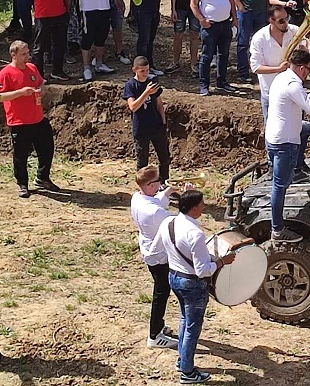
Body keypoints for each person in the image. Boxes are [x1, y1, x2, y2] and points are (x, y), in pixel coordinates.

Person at [151, 190, 235, 384]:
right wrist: (223, 262)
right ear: (195, 208)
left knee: (184, 319)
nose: (204, 207)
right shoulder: (195, 233)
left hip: (174, 277)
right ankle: (187, 372)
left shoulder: (168, 222)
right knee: (192, 327)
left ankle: (182, 361)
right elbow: (203, 271)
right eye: (202, 204)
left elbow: (159, 249)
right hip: (192, 284)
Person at [266, 50, 310, 242]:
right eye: (309, 68)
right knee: (279, 187)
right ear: (300, 68)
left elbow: (301, 102)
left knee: (305, 129)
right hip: (285, 142)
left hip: (274, 138)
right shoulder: (293, 85)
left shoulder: (282, 78)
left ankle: (296, 171)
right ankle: (277, 230)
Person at [249, 6, 310, 175]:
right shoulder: (259, 38)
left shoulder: (294, 31)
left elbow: (309, 51)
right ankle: (273, 167)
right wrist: (278, 68)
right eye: (281, 21)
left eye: (287, 19)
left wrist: (305, 51)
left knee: (297, 129)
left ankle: (298, 165)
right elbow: (255, 67)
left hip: (292, 91)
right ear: (271, 20)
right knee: (273, 132)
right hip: (271, 93)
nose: (286, 23)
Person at [0, 40, 58, 198]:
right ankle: (22, 183)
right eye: (23, 54)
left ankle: (42, 178)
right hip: (19, 121)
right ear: (13, 55)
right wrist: (21, 92)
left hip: (37, 118)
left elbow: (41, 82)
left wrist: (41, 90)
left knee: (47, 148)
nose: (27, 56)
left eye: (28, 53)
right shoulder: (5, 73)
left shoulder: (32, 68)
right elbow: (0, 96)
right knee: (21, 155)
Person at [130, 165, 180, 349]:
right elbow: (177, 222)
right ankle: (154, 335)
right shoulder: (155, 212)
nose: (161, 183)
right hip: (159, 255)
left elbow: (156, 202)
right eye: (158, 181)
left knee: (162, 292)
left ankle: (158, 327)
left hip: (149, 250)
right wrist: (187, 199)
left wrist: (167, 192)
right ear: (150, 185)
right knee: (161, 294)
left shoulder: (137, 197)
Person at [190, 0, 238, 96]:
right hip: (210, 25)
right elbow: (193, 4)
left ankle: (221, 82)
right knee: (207, 56)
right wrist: (201, 20)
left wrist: (234, 18)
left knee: (223, 55)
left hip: (225, 24)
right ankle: (204, 85)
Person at [124, 56, 171, 181]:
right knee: (142, 161)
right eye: (142, 71)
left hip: (156, 126)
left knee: (164, 158)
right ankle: (144, 186)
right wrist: (146, 93)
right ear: (135, 70)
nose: (145, 73)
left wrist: (163, 122)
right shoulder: (130, 85)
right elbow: (133, 107)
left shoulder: (152, 83)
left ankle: (163, 183)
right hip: (141, 129)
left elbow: (159, 104)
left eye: (147, 70)